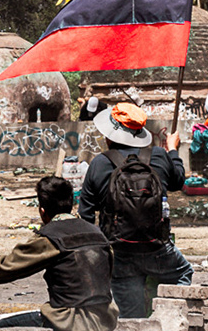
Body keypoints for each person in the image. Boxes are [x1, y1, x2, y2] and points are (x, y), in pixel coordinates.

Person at [0, 175, 117, 331]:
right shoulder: (97, 233)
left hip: (69, 321)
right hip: (106, 318)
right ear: (71, 205)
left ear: (42, 211)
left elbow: (0, 271)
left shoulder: (51, 237)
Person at [79, 102, 192, 317]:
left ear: (109, 136)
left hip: (119, 252)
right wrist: (173, 149)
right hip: (157, 248)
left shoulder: (99, 164)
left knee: (130, 315)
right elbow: (178, 181)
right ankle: (171, 319)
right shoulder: (159, 155)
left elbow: (86, 216)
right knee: (183, 272)